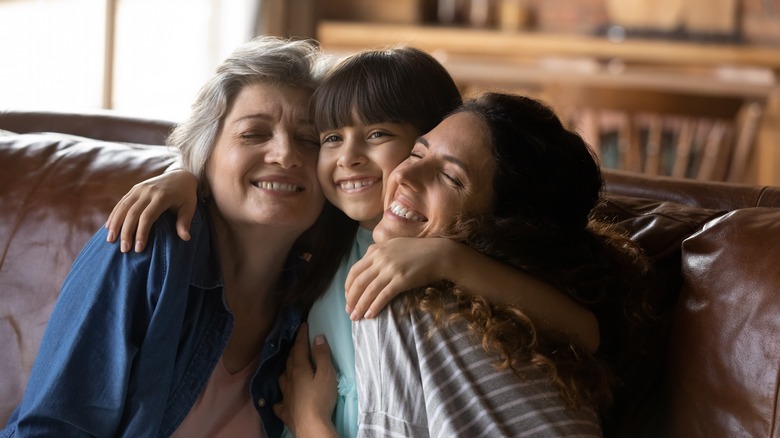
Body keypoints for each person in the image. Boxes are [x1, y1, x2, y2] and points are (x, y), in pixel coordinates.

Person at [104, 47, 602, 437]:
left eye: (379, 133)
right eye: (330, 138)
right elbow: (256, 188)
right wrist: (185, 176)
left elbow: (586, 329)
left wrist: (449, 259)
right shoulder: (322, 228)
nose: (348, 157)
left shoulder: (440, 260)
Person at [1, 36, 342, 437]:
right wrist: (182, 173)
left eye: (310, 140)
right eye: (253, 134)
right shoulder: (145, 247)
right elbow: (52, 429)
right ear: (205, 156)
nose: (285, 154)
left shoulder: (320, 296)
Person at [293, 92, 650, 437]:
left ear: (504, 226)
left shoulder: (405, 297)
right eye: (416, 154)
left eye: (451, 177)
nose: (404, 177)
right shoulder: (527, 311)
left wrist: (310, 423)